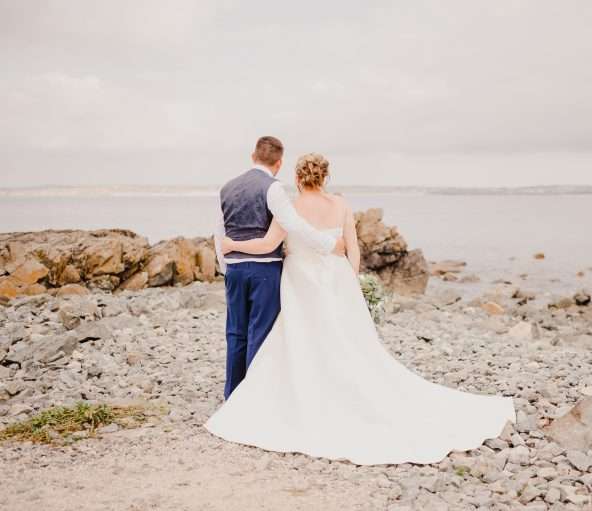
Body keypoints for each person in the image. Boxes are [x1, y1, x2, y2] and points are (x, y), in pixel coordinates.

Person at [205, 152, 515, 465]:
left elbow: (275, 244)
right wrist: (347, 285)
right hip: (337, 282)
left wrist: (235, 247)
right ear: (325, 177)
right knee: (346, 343)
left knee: (301, 338)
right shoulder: (342, 205)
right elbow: (353, 251)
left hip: (300, 282)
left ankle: (295, 395)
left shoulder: (292, 206)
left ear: (298, 179)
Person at [213, 136, 345, 399]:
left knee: (235, 333)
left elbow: (219, 232)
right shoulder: (273, 188)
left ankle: (232, 395)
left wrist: (226, 266)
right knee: (259, 333)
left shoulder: (226, 188)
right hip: (265, 271)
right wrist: (328, 244)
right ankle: (254, 397)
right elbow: (293, 224)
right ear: (279, 162)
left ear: (253, 156)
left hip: (235, 271)